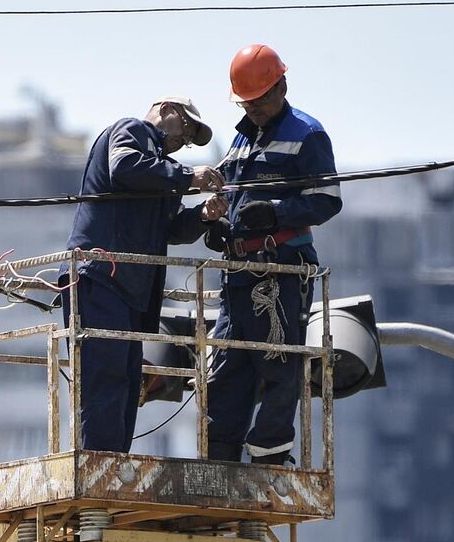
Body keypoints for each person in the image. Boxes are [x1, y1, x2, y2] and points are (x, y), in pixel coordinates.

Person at [202, 44, 343, 464]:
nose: (255, 109)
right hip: (238, 274)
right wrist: (217, 224)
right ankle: (218, 465)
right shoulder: (243, 136)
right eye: (247, 102)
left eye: (261, 99)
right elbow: (230, 194)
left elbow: (327, 199)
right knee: (228, 368)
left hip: (279, 273)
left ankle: (268, 461)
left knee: (278, 366)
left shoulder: (307, 134)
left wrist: (277, 213)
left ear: (281, 86)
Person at [64, 97, 228, 453]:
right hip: (101, 275)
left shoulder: (160, 172)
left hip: (127, 288)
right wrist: (188, 176)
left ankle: (111, 461)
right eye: (186, 128)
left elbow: (170, 229)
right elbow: (123, 166)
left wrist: (203, 215)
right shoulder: (133, 131)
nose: (184, 141)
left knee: (127, 380)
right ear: (167, 110)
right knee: (105, 376)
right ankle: (100, 464)